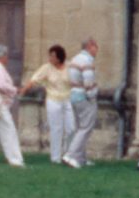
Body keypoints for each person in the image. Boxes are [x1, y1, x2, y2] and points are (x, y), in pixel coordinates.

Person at [22, 44, 71, 162]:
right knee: (56, 128)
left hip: (68, 99)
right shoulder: (47, 68)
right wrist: (24, 90)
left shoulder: (69, 67)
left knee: (71, 128)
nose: (50, 59)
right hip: (53, 100)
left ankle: (68, 154)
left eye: (53, 56)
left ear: (59, 57)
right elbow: (34, 79)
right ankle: (55, 157)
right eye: (50, 56)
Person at [62, 38, 100, 169]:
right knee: (86, 128)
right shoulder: (87, 60)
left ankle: (80, 158)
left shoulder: (75, 59)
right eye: (96, 47)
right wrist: (92, 95)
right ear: (90, 46)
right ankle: (70, 155)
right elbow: (88, 80)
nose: (97, 50)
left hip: (73, 94)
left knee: (80, 127)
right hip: (84, 96)